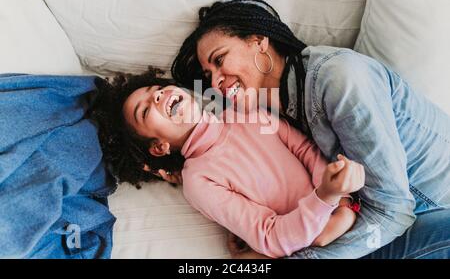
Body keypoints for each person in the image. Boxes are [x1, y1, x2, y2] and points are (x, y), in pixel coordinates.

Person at [170, 0, 450, 259]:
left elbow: (393, 210)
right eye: (208, 76)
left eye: (220, 60)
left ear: (258, 41)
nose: (217, 80)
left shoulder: (340, 78)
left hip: (429, 205)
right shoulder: (263, 111)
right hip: (375, 222)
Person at [91, 68, 364, 258]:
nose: (158, 96)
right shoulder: (200, 181)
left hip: (348, 209)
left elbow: (304, 149)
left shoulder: (248, 114)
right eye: (147, 110)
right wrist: (324, 201)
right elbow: (270, 237)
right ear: (159, 147)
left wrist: (340, 201)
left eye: (158, 89)